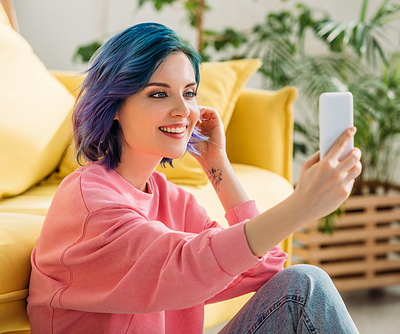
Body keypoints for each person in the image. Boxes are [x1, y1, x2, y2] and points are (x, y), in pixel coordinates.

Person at [27, 22, 362, 334]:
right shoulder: (90, 203)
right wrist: (300, 206)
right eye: (159, 94)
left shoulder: (170, 199)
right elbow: (184, 266)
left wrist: (218, 166)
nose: (184, 110)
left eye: (189, 93)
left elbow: (265, 268)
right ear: (114, 105)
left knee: (303, 284)